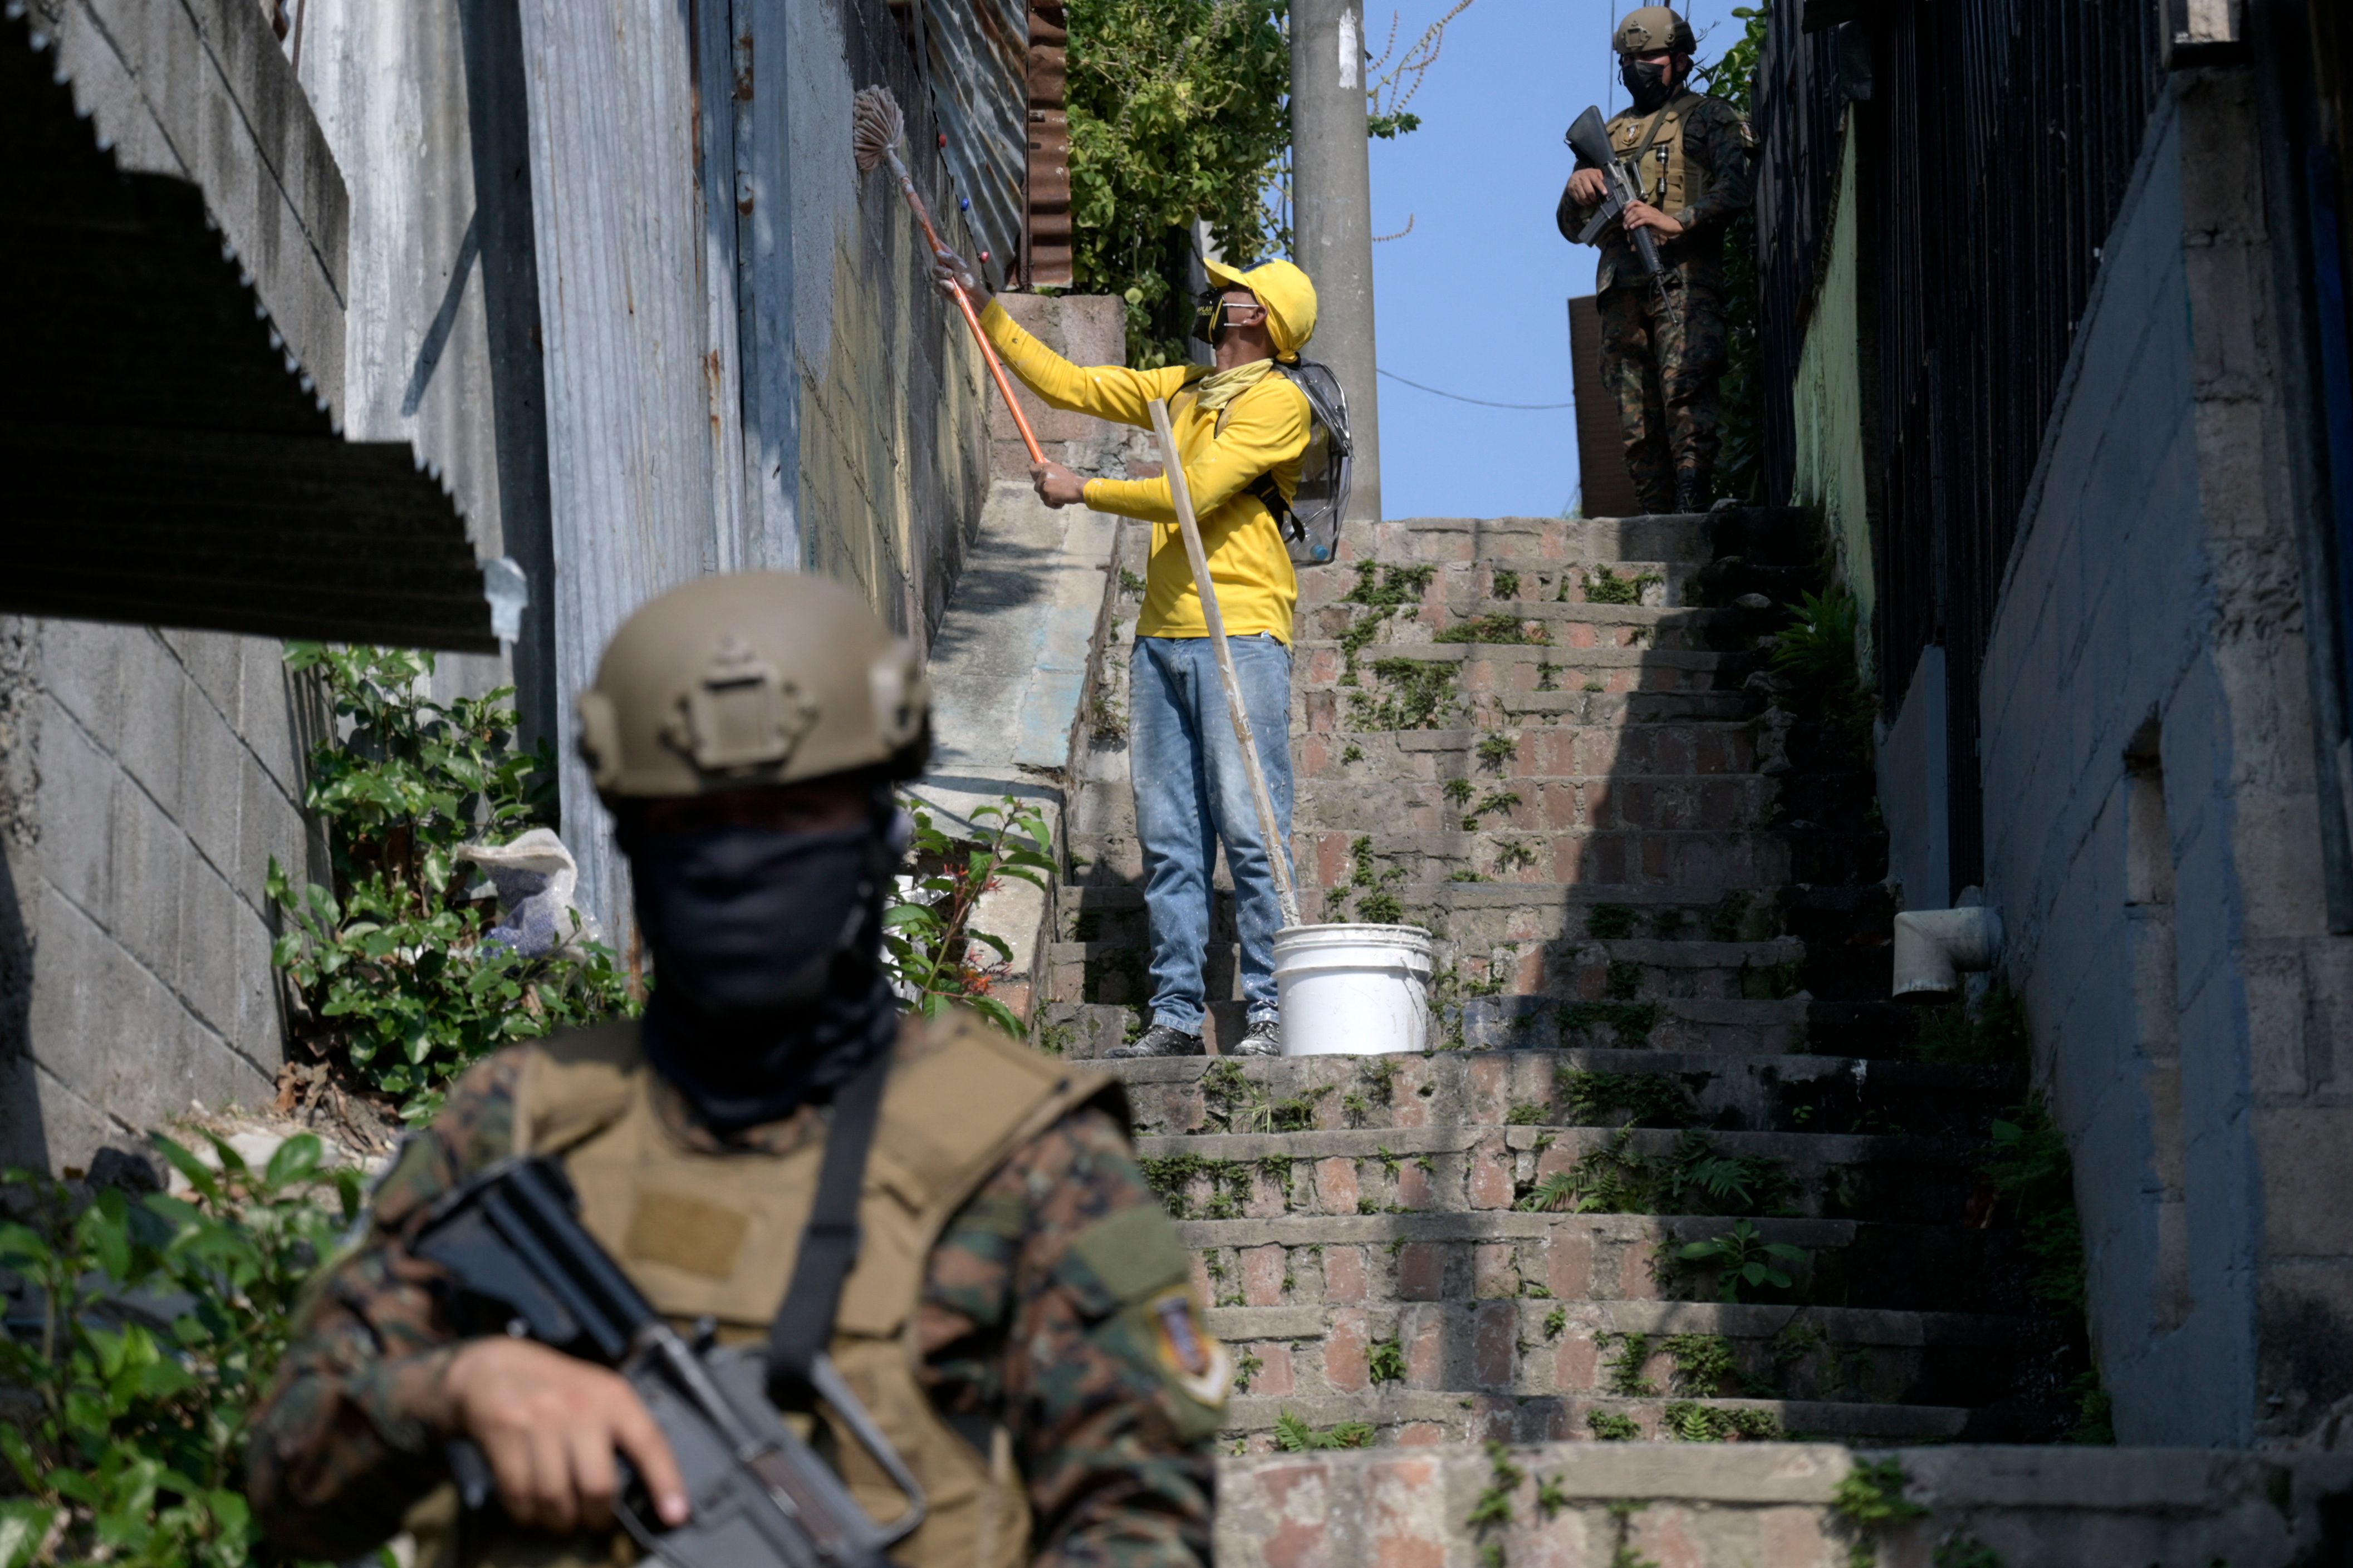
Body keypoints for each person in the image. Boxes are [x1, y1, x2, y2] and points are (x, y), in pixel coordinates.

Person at [244, 572, 1226, 1567]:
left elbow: (1143, 1526)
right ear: (634, 838)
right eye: (694, 828)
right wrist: (457, 1387)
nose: (738, 866)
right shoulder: (523, 1121)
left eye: (786, 821)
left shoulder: (1033, 1163)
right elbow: (288, 1469)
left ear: (876, 841)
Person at [935, 247, 1313, 1060]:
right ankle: (1176, 1011)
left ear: (1264, 320)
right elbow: (1071, 384)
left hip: (1238, 633)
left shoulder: (1280, 402)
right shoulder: (1180, 388)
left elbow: (1197, 490)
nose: (1216, 300)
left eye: (1231, 294)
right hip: (1162, 639)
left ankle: (1272, 1005)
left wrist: (1086, 491)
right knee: (1172, 839)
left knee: (1250, 828)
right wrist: (985, 307)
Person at [1558, 5, 1756, 515]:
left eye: (1649, 57)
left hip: (1683, 279)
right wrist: (1577, 191)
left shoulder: (1708, 116)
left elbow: (1737, 192)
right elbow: (1570, 228)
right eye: (1629, 59)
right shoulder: (1609, 133)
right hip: (1621, 288)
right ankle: (1653, 511)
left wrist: (1677, 221)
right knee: (1633, 408)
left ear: (1681, 59)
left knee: (1686, 388)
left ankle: (1693, 499)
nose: (1636, 68)